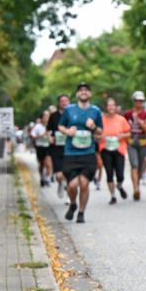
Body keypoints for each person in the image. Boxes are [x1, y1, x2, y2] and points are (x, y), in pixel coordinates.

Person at [58, 83, 103, 223]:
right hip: (71, 153)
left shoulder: (95, 111)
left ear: (90, 94)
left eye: (86, 90)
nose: (83, 92)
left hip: (88, 153)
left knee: (84, 184)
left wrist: (93, 127)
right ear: (77, 94)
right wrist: (68, 131)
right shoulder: (69, 110)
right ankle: (73, 204)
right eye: (81, 90)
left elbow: (100, 132)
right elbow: (60, 126)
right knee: (72, 186)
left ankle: (81, 212)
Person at [99, 97, 131, 204]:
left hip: (119, 148)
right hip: (105, 148)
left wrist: (122, 136)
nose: (111, 107)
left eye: (113, 105)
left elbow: (129, 133)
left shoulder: (121, 119)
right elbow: (95, 134)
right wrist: (101, 137)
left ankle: (119, 186)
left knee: (120, 175)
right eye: (109, 105)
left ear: (116, 107)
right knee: (109, 173)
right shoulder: (101, 119)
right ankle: (113, 196)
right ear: (106, 107)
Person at [124, 91, 146, 201]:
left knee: (140, 167)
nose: (139, 102)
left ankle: (138, 184)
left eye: (141, 101)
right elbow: (123, 127)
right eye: (137, 100)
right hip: (131, 142)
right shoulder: (127, 114)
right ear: (134, 101)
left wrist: (138, 121)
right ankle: (136, 189)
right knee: (134, 166)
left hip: (143, 143)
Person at [47, 94, 70, 199]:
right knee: (59, 175)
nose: (64, 103)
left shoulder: (73, 115)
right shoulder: (53, 116)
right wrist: (50, 138)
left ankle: (69, 196)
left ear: (69, 102)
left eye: (66, 101)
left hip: (70, 148)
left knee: (69, 172)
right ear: (59, 103)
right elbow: (48, 130)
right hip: (56, 148)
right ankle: (61, 183)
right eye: (62, 101)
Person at [30, 111, 53, 187]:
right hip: (40, 147)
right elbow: (32, 136)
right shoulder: (38, 126)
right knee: (42, 164)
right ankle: (42, 177)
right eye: (45, 116)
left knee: (48, 163)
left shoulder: (51, 125)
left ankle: (47, 179)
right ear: (42, 118)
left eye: (48, 116)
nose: (47, 118)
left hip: (48, 147)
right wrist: (42, 135)